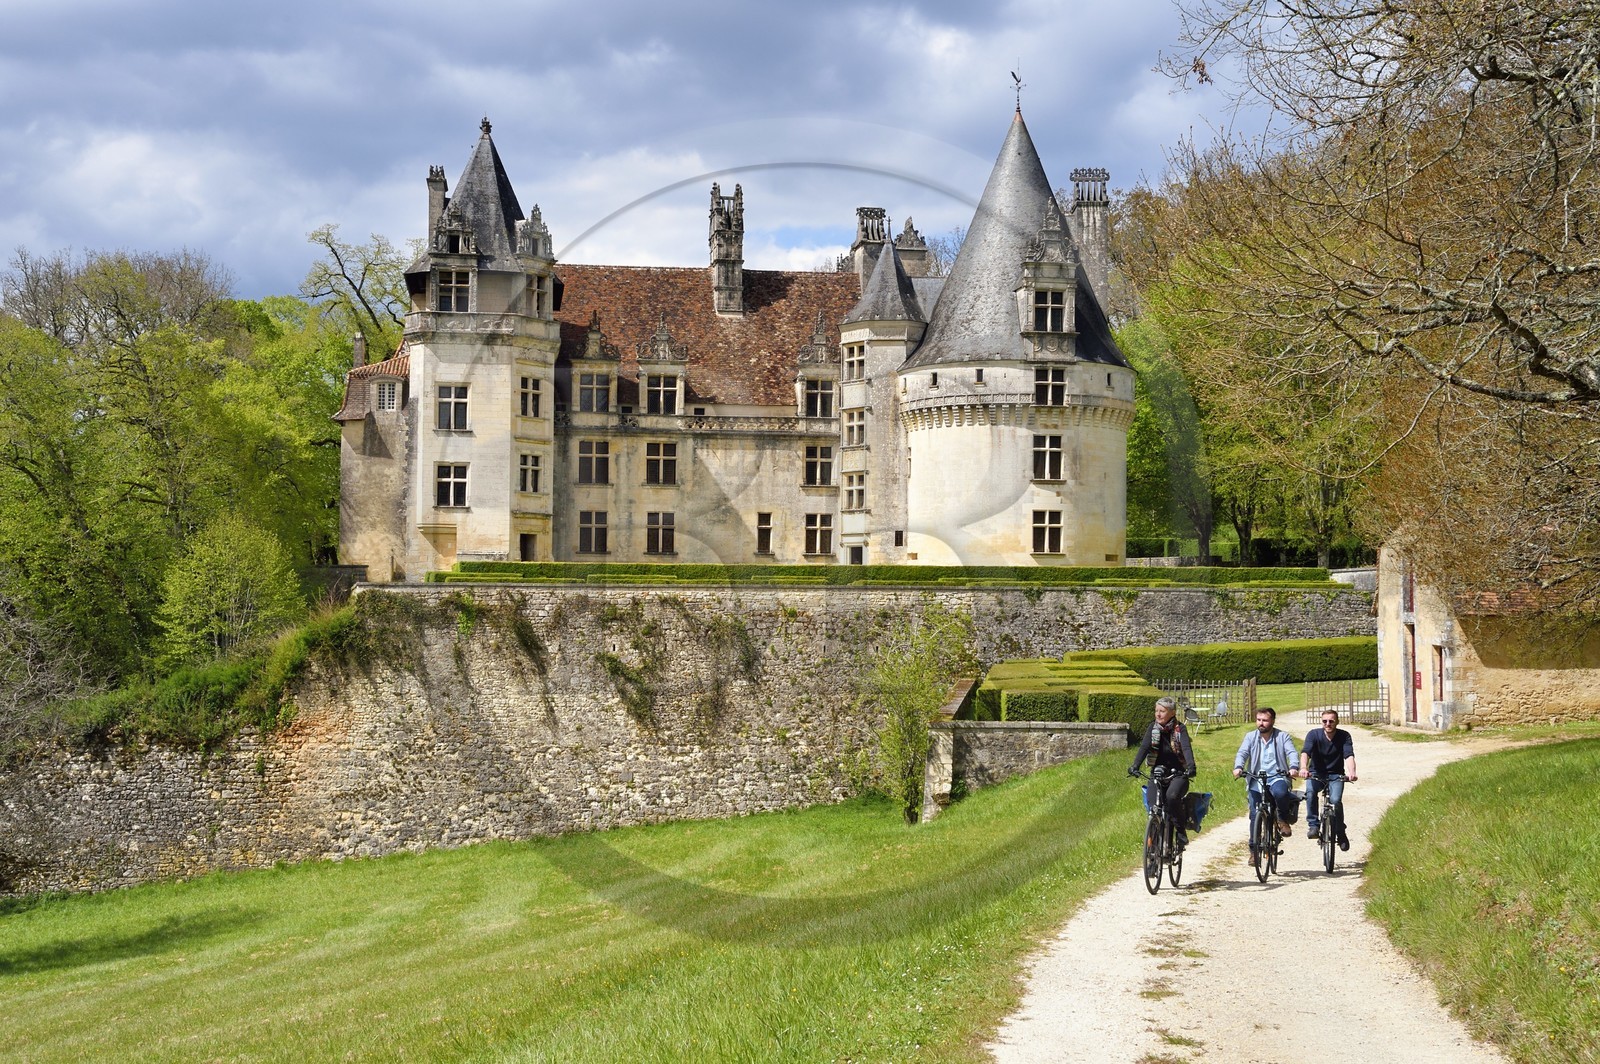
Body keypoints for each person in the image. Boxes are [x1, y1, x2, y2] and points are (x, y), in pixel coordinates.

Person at [1128, 696, 1198, 846]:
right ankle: (1153, 847)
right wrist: (1135, 765)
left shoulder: (1180, 729)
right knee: (1153, 806)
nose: (1158, 714)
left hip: (1177, 774)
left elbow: (1186, 748)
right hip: (1157, 773)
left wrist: (1191, 767)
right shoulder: (1152, 728)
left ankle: (1180, 831)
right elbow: (1144, 748)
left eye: (1162, 711)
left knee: (1172, 797)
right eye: (1156, 711)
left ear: (1172, 713)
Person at [1232, 706, 1299, 863]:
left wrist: (1294, 767)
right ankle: (1254, 851)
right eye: (1259, 720)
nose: (1261, 723)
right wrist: (1238, 767)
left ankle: (1282, 819)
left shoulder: (1282, 736)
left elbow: (1291, 753)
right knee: (1255, 815)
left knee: (1281, 793)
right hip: (1257, 779)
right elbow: (1242, 753)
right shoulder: (1250, 737)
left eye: (1265, 720)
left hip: (1277, 776)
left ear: (1273, 721)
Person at [1300, 709, 1358, 850]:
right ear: (1321, 722)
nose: (1328, 724)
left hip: (1336, 775)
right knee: (1310, 791)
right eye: (1325, 721)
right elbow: (1305, 752)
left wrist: (1352, 772)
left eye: (1331, 721)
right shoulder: (1313, 735)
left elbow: (1348, 755)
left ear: (1337, 722)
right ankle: (1313, 825)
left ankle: (1340, 832)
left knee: (1336, 800)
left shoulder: (1344, 736)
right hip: (1316, 773)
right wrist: (1303, 767)